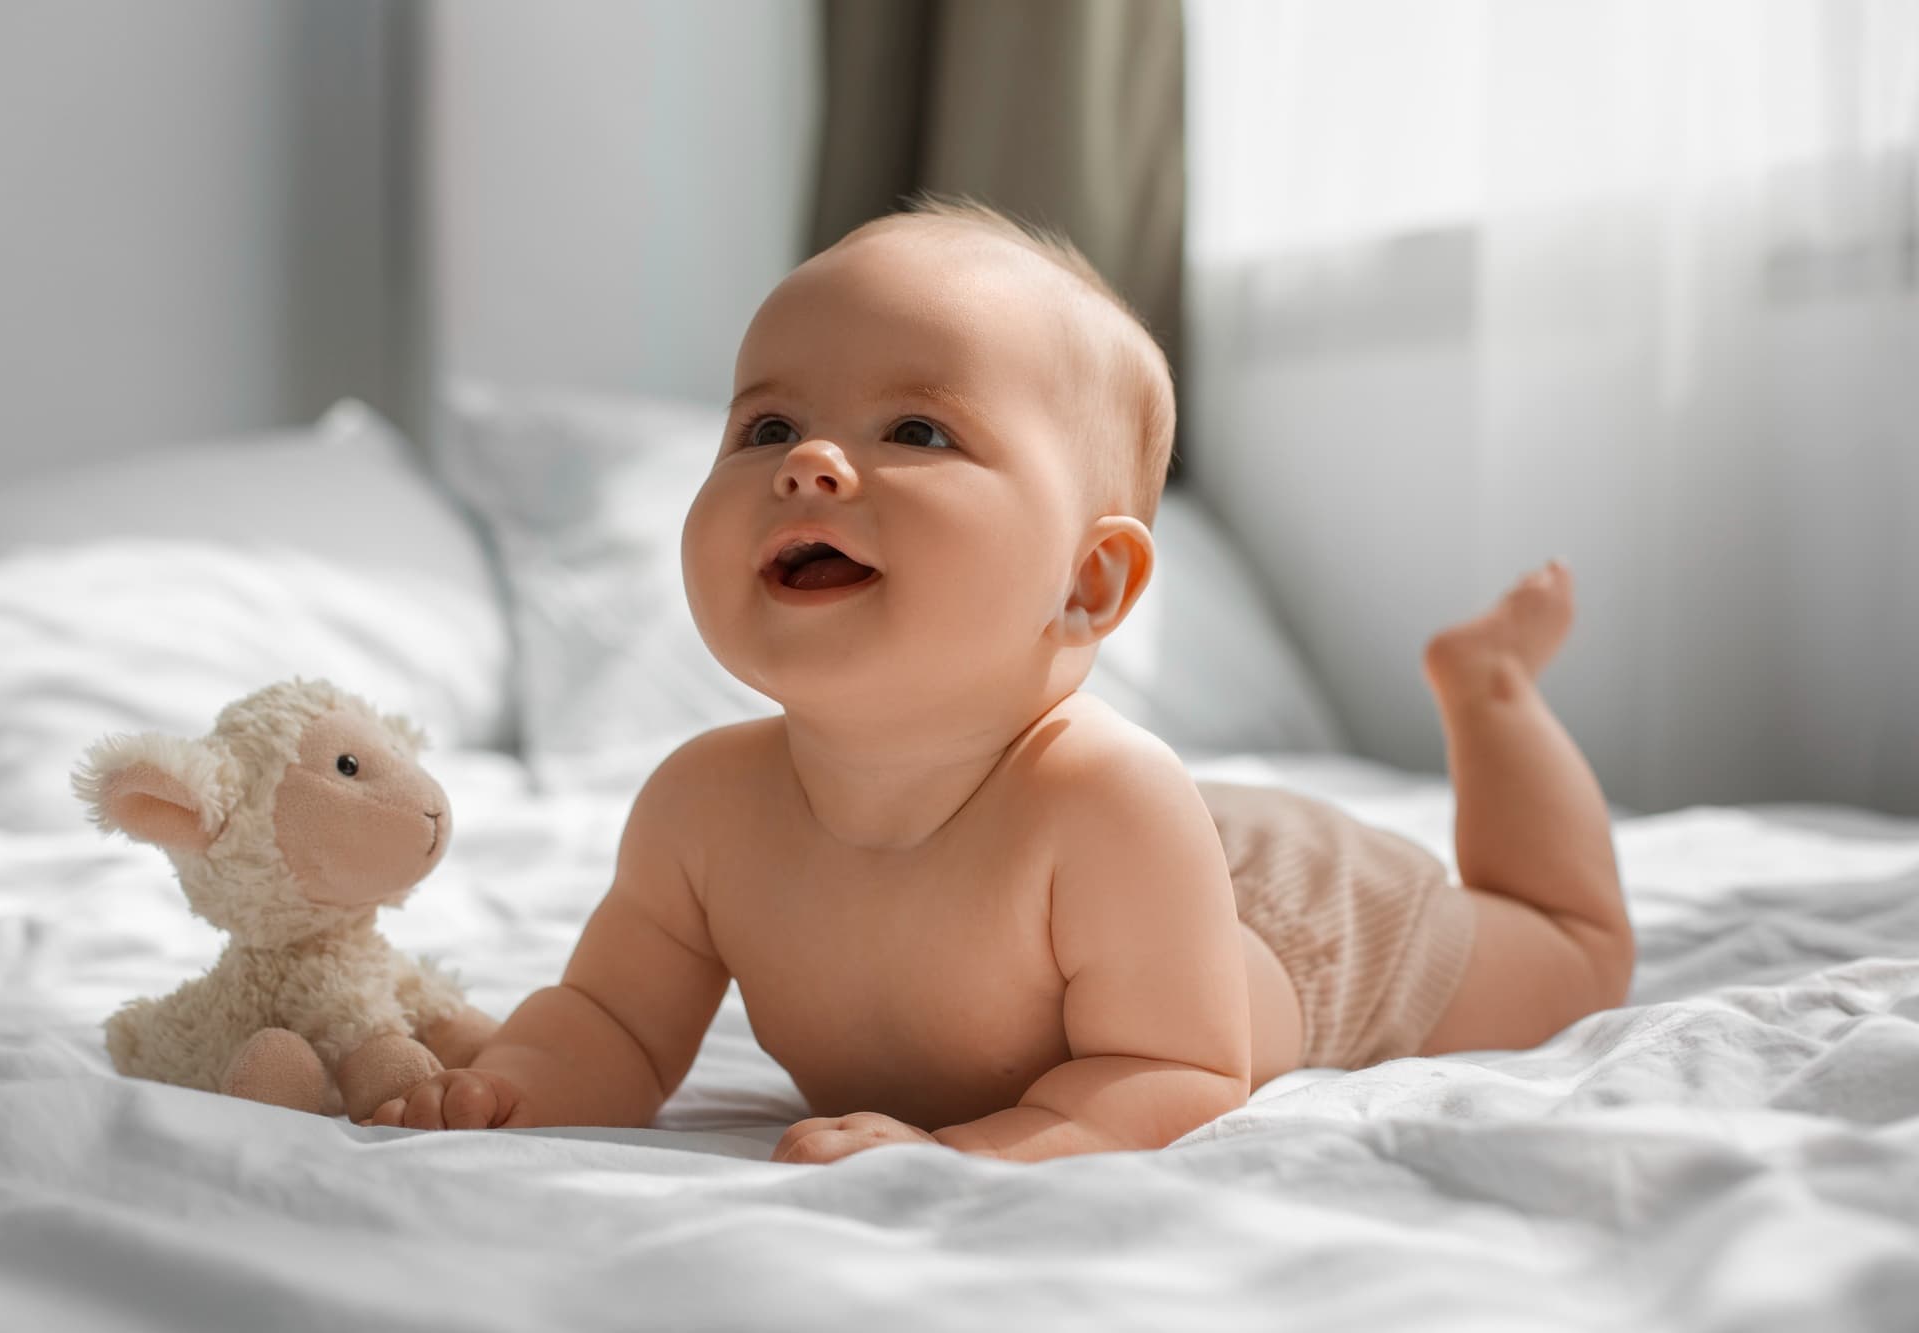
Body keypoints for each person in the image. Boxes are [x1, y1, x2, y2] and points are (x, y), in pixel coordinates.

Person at [366, 199, 1635, 1163]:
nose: (808, 462)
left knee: (1573, 954)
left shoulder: (1106, 800)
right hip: (1154, 885)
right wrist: (512, 1085)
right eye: (765, 426)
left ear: (1087, 583)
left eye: (916, 430)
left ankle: (1488, 691)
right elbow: (615, 1024)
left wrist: (976, 1153)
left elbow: (1176, 1072)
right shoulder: (699, 808)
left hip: (1297, 931)